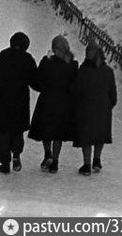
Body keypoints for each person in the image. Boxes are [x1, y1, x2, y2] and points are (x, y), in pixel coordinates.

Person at [29, 35, 77, 174]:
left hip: (47, 100)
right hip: (64, 102)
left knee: (46, 130)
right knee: (58, 133)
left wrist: (43, 89)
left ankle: (47, 154)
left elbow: (38, 80)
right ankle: (55, 160)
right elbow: (74, 84)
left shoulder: (46, 62)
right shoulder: (72, 65)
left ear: (55, 48)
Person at [70, 42, 116, 176]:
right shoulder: (108, 71)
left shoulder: (83, 71)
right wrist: (109, 104)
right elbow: (112, 93)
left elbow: (76, 90)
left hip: (85, 107)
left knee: (86, 136)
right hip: (103, 108)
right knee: (99, 135)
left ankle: (86, 164)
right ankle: (97, 160)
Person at [0, 31, 37, 174]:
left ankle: (4, 162)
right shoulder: (27, 59)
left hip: (2, 100)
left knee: (3, 131)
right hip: (20, 101)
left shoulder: (2, 56)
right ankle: (16, 155)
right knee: (17, 130)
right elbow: (35, 82)